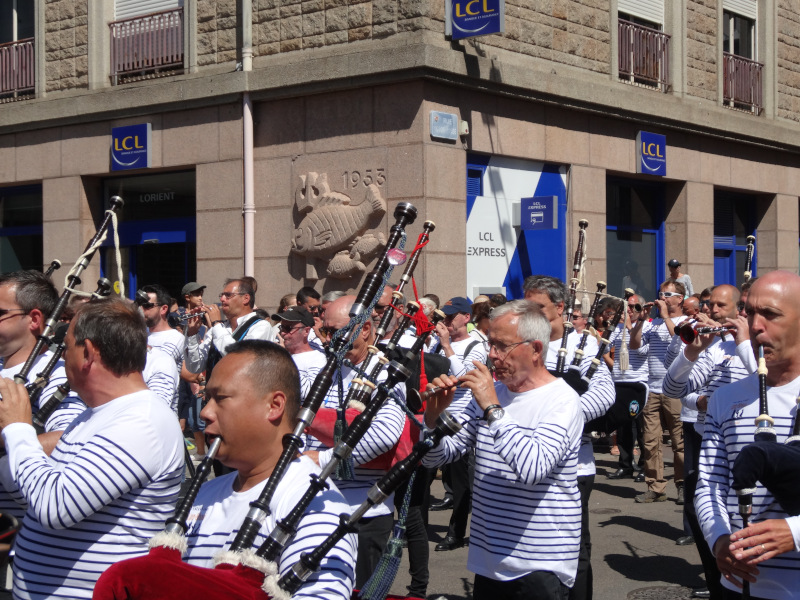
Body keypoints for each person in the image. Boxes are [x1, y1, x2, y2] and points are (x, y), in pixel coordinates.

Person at [0, 298, 184, 600]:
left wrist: (17, 428)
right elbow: (40, 486)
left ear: (87, 353)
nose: (62, 358)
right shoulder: (97, 415)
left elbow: (54, 506)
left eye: (66, 347)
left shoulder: (141, 421)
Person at [422, 300, 582, 600]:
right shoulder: (490, 396)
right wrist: (433, 419)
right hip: (489, 560)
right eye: (490, 344)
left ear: (535, 349)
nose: (492, 355)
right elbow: (438, 456)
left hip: (538, 564)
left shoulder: (562, 400)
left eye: (502, 346)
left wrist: (493, 408)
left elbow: (532, 468)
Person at [183, 341, 356, 599]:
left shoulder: (316, 507)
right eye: (207, 399)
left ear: (274, 405)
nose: (206, 413)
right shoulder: (204, 493)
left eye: (221, 398)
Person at [696, 271, 800, 600]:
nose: (755, 326)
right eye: (749, 312)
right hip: (738, 585)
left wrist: (795, 533)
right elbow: (710, 483)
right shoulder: (725, 399)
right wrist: (719, 539)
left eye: (770, 314)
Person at [523, 275, 615, 600]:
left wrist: (561, 413)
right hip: (528, 462)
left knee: (574, 548)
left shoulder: (586, 344)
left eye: (538, 307)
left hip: (575, 467)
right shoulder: (521, 343)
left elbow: (605, 394)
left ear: (560, 308)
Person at [304, 295, 405, 588]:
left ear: (364, 330)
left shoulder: (385, 374)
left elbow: (384, 436)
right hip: (322, 505)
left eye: (337, 330)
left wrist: (322, 460)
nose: (330, 338)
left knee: (362, 591)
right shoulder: (329, 372)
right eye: (326, 331)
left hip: (366, 511)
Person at [663, 284, 756, 599]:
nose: (712, 311)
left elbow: (764, 380)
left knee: (744, 513)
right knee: (699, 508)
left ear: (739, 310)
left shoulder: (757, 344)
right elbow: (674, 389)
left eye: (719, 306)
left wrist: (741, 341)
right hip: (709, 440)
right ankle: (718, 576)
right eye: (709, 304)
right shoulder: (713, 347)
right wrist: (692, 350)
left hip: (750, 448)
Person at [0, 271, 85, 521]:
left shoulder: (55, 375)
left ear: (34, 319)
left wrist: (9, 441)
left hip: (20, 532)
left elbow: (67, 440)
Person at [432, 296, 489, 552]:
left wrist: (446, 345)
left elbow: (464, 377)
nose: (445, 321)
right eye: (443, 316)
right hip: (436, 415)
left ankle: (456, 533)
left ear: (466, 318)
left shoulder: (476, 345)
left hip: (462, 421)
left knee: (462, 483)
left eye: (451, 316)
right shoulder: (437, 343)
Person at [629, 279, 687, 504]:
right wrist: (641, 322)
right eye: (660, 294)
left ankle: (682, 485)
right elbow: (635, 346)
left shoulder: (685, 320)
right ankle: (655, 487)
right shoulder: (652, 324)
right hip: (652, 387)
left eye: (667, 294)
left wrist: (666, 317)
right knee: (650, 440)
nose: (662, 297)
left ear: (679, 299)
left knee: (678, 441)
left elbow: (682, 341)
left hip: (675, 388)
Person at [185, 278, 276, 376]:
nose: (222, 299)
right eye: (222, 295)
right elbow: (195, 367)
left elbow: (241, 361)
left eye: (228, 295)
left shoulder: (261, 326)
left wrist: (216, 323)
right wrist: (192, 334)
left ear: (246, 298)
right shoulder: (218, 328)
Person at [607, 294, 648, 480]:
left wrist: (631, 327)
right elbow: (604, 351)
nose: (630, 310)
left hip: (638, 381)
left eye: (634, 307)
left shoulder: (647, 327)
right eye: (627, 306)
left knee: (642, 428)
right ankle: (625, 464)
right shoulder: (616, 328)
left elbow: (639, 349)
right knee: (623, 426)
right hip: (620, 380)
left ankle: (645, 466)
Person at [273, 306, 326, 397]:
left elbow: (310, 394)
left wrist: (285, 359)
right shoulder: (282, 356)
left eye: (288, 328)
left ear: (306, 331)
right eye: (282, 327)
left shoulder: (317, 358)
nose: (282, 333)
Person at [141, 284, 186, 369]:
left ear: (164, 309)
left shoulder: (175, 338)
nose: (141, 309)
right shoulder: (140, 334)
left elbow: (158, 364)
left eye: (147, 306)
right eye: (140, 305)